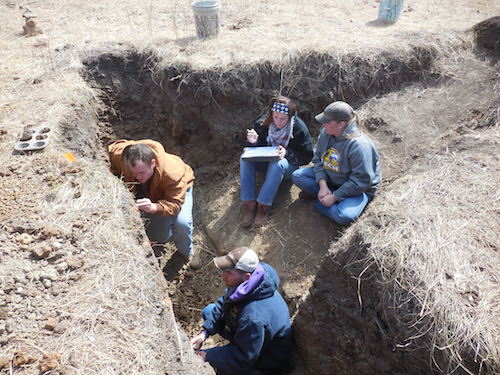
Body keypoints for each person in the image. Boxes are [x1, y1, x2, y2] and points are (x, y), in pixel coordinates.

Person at [191, 247, 293, 375]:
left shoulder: (253, 317)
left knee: (218, 365)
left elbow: (243, 358)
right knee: (209, 311)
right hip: (250, 337)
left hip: (264, 357)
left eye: (229, 272)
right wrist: (204, 333)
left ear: (246, 276)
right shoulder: (249, 283)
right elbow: (224, 302)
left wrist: (208, 357)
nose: (222, 275)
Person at [108, 139, 198, 267]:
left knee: (181, 223)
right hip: (150, 193)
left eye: (141, 173)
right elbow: (109, 150)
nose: (137, 177)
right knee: (161, 237)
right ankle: (164, 238)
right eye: (133, 173)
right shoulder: (124, 157)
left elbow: (174, 205)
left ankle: (186, 253)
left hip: (176, 194)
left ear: (153, 163)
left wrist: (154, 207)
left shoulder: (173, 173)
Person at [292, 101, 381, 225]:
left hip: (357, 189)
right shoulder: (326, 133)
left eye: (327, 122)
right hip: (332, 178)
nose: (323, 124)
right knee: (297, 176)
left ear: (341, 124)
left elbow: (361, 181)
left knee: (344, 216)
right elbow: (317, 159)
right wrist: (323, 186)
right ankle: (325, 195)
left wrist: (334, 197)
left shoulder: (359, 146)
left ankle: (319, 203)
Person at [240, 96, 313, 227]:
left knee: (277, 163)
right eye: (276, 117)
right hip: (265, 162)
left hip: (286, 167)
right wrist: (253, 141)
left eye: (283, 119)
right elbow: (253, 149)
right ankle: (249, 203)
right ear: (271, 114)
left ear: (290, 117)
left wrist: (287, 153)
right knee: (244, 159)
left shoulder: (298, 128)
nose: (279, 122)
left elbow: (307, 156)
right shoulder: (263, 123)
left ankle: (263, 206)